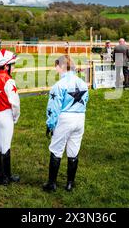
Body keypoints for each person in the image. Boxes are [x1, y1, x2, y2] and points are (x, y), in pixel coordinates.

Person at [43, 55, 89, 192]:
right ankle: (70, 183)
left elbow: (53, 108)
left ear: (61, 66)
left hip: (65, 118)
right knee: (73, 151)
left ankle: (52, 184)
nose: (55, 68)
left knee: (56, 150)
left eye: (56, 65)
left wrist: (50, 124)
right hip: (80, 118)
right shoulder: (82, 83)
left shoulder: (59, 85)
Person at [0, 49, 21, 185]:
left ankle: (0, 176)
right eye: (12, 64)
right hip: (5, 115)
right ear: (6, 66)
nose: (13, 67)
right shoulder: (8, 80)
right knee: (6, 147)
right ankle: (7, 178)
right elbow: (15, 103)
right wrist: (16, 117)